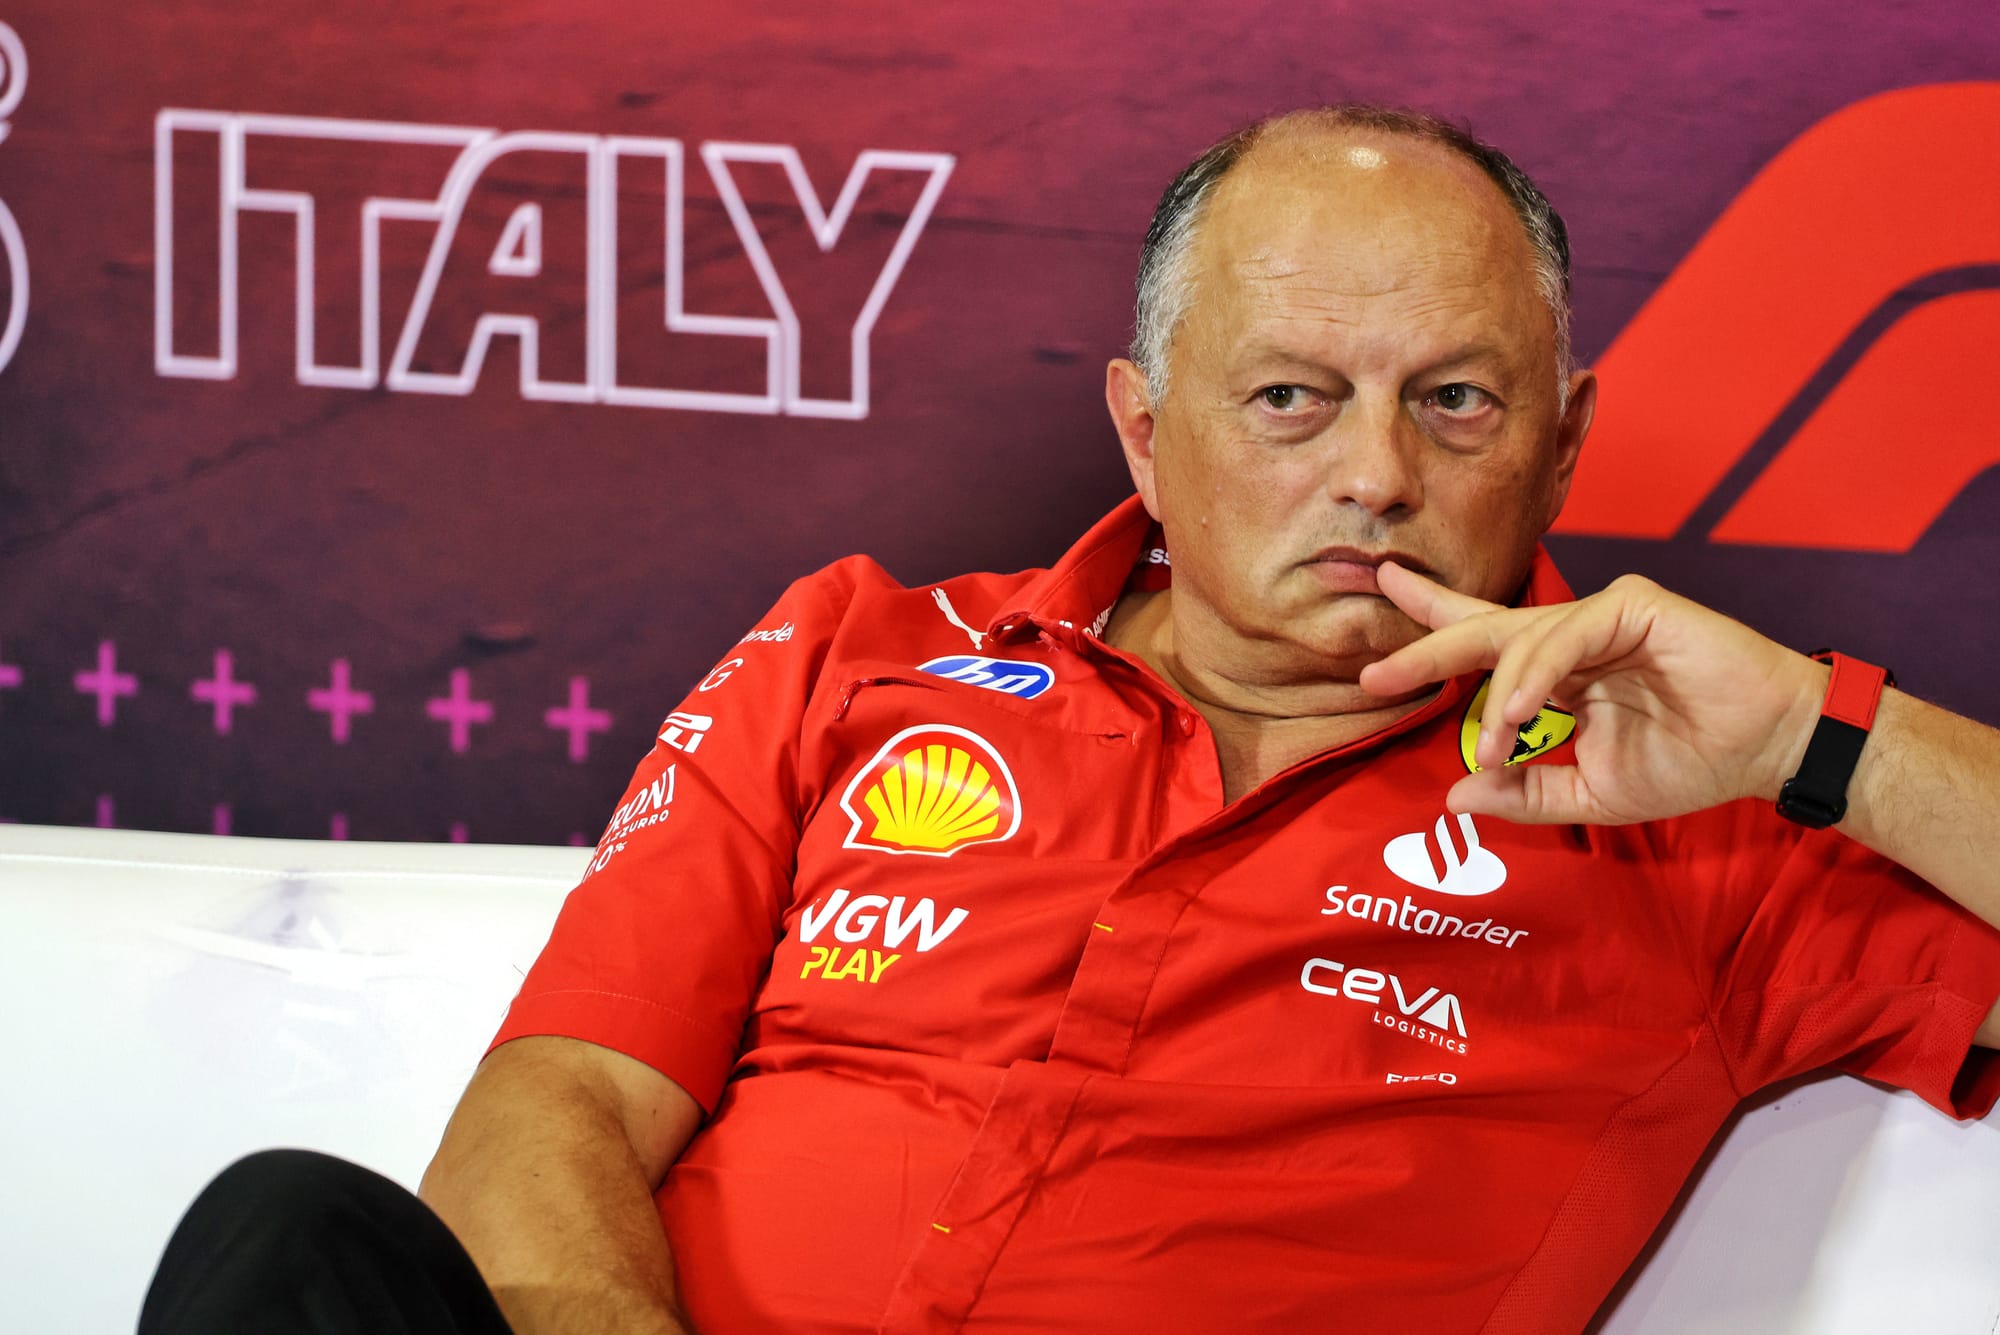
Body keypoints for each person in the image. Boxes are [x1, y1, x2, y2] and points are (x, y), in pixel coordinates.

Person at [140, 104, 2000, 1335]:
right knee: (289, 1247)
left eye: (1455, 402)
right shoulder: (856, 654)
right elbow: (559, 1105)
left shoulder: (1690, 802)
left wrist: (1811, 734)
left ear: (1564, 442)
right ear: (1143, 429)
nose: (1374, 475)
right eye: (1289, 399)